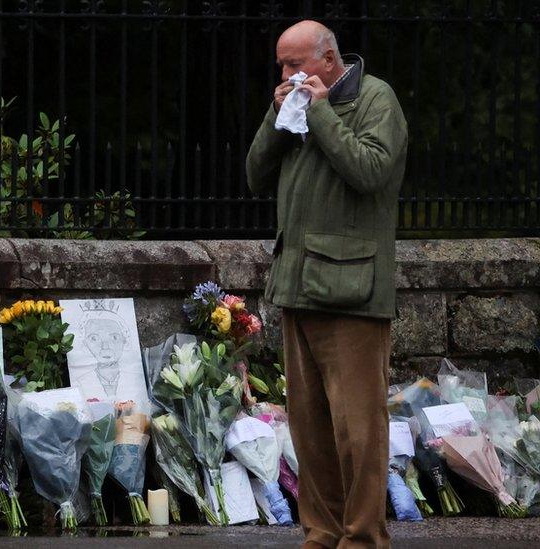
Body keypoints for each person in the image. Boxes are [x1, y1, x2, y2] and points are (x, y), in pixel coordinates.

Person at [245, 20, 408, 549]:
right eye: (282, 66)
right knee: (310, 430)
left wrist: (320, 114)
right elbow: (254, 174)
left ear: (329, 59)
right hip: (298, 283)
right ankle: (321, 532)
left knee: (357, 431)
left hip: (353, 291)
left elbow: (370, 170)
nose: (288, 74)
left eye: (296, 65)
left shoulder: (374, 98)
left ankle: (362, 538)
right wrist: (277, 115)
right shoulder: (293, 104)